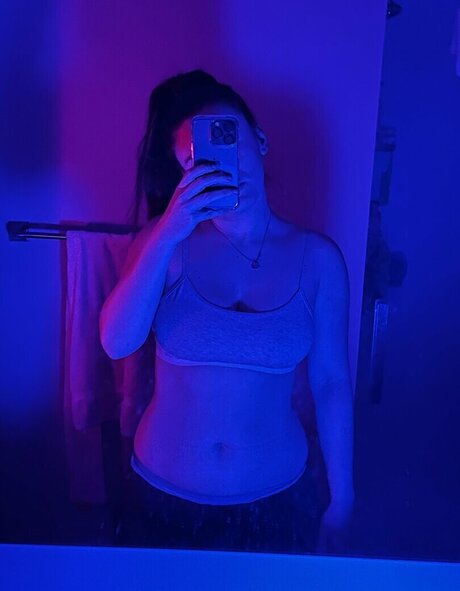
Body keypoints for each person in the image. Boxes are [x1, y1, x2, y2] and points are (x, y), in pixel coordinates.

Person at [100, 69, 354, 554]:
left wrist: (343, 500)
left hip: (277, 502)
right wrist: (168, 231)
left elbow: (332, 384)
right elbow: (117, 342)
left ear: (260, 140)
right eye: (195, 160)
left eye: (227, 138)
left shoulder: (318, 259)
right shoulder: (164, 246)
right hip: (161, 500)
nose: (220, 165)